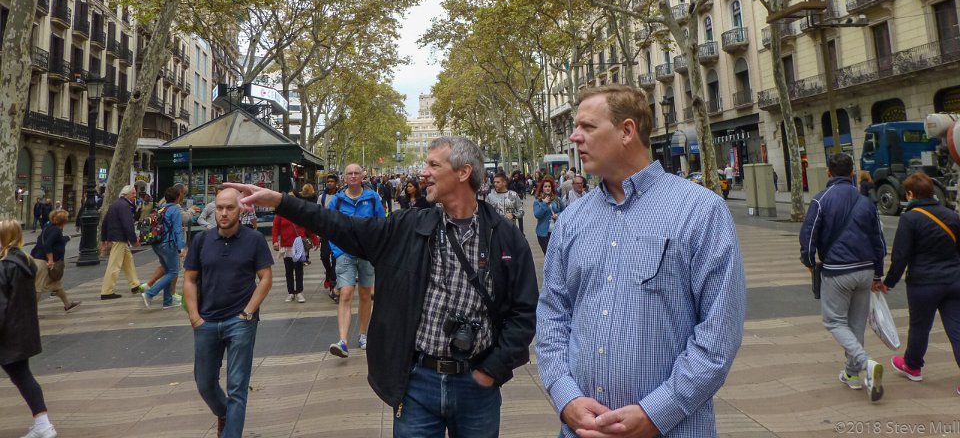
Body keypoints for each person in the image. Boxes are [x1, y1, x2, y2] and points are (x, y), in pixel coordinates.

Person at [225, 135, 537, 438]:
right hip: (417, 384)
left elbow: (524, 312)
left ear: (463, 172)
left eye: (433, 165)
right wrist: (280, 202)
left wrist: (492, 369)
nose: (423, 172)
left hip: (477, 386)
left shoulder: (505, 237)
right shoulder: (408, 227)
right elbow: (341, 225)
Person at [538, 85, 746, 438]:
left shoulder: (701, 211)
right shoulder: (571, 221)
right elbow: (552, 316)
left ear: (627, 131)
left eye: (588, 127)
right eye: (576, 127)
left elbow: (718, 334)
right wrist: (566, 397)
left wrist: (656, 413)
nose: (575, 137)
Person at [184, 188, 273, 438]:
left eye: (229, 208)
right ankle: (224, 413)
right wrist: (194, 317)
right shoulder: (202, 240)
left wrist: (248, 312)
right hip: (207, 321)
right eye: (220, 208)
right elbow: (189, 279)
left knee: (237, 387)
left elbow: (266, 278)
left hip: (240, 322)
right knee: (204, 384)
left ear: (240, 209)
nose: (223, 213)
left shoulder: (254, 239)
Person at [800, 152, 887, 402]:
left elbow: (808, 236)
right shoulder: (866, 202)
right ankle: (852, 374)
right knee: (856, 324)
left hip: (838, 270)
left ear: (829, 173)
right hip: (866, 269)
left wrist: (809, 262)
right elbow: (879, 241)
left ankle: (865, 363)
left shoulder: (820, 200)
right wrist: (877, 274)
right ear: (852, 174)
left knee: (835, 322)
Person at [880, 172, 960, 392]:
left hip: (923, 283)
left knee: (919, 326)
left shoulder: (910, 218)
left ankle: (913, 366)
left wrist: (889, 281)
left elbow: (901, 256)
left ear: (910, 194)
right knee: (957, 328)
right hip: (954, 281)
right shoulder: (952, 216)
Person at [1, 219, 59, 438]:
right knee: (23, 376)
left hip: (7, 332)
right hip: (22, 329)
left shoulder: (4, 266)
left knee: (22, 377)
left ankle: (44, 425)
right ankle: (43, 423)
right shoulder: (25, 261)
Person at [325, 164, 385, 357]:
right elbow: (329, 227)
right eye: (349, 173)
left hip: (367, 255)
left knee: (366, 294)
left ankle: (363, 334)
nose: (352, 176)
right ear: (344, 178)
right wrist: (337, 251)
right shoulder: (337, 201)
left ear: (362, 176)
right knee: (346, 293)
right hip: (345, 254)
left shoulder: (372, 198)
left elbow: (382, 225)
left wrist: (376, 249)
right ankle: (343, 341)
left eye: (356, 173)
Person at [141, 186, 187, 310]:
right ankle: (149, 294)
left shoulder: (161, 209)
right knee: (173, 272)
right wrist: (181, 247)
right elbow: (177, 230)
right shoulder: (175, 210)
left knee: (168, 271)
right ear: (178, 197)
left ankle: (168, 301)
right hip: (168, 244)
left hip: (157, 243)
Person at [29, 210, 80, 313]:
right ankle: (31, 312)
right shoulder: (56, 231)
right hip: (43, 262)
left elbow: (44, 240)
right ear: (64, 221)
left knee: (57, 285)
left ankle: (67, 304)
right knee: (38, 287)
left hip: (38, 258)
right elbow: (47, 244)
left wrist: (65, 239)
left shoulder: (48, 227)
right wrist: (50, 260)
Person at [99, 184, 142, 300]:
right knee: (115, 264)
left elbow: (105, 222)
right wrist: (134, 240)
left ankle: (135, 284)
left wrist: (103, 239)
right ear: (126, 194)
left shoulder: (115, 204)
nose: (135, 195)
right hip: (119, 238)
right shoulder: (124, 206)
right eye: (133, 193)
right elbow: (128, 224)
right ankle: (107, 291)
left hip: (115, 237)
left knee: (128, 261)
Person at [272, 211, 318, 303]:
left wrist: (315, 240)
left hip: (298, 245)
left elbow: (308, 227)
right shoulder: (281, 213)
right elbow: (275, 227)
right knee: (288, 270)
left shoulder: (299, 212)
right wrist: (275, 241)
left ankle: (299, 292)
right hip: (286, 245)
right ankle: (291, 292)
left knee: (298, 269)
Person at [317, 174, 339, 300]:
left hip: (337, 232)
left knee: (335, 258)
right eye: (328, 181)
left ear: (336, 183)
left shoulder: (341, 196)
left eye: (332, 181)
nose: (329, 183)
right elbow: (318, 213)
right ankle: (329, 273)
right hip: (325, 231)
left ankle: (333, 285)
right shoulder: (322, 197)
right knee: (324, 256)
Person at [532, 177, 563, 255]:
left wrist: (558, 215)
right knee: (547, 254)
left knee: (556, 254)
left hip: (556, 231)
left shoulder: (557, 199)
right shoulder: (538, 201)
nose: (547, 188)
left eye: (549, 186)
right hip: (543, 233)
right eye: (545, 186)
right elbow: (537, 215)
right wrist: (544, 203)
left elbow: (565, 211)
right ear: (542, 188)